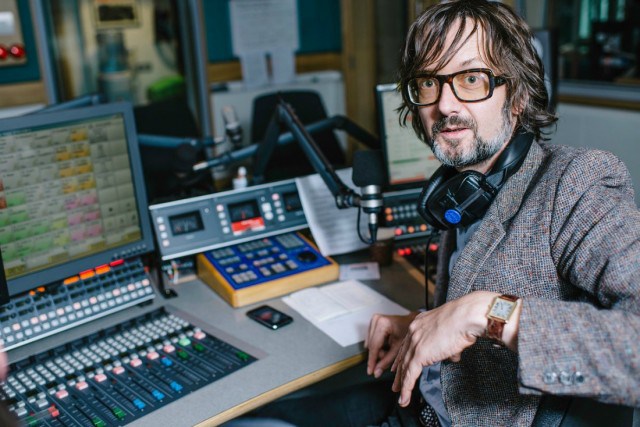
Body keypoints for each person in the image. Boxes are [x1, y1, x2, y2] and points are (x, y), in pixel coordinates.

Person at [230, 1, 639, 425]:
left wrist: (487, 313)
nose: (444, 105)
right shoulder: (459, 190)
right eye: (429, 82)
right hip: (417, 402)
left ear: (517, 96)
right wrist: (421, 324)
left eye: (471, 78)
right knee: (259, 415)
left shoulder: (576, 182)